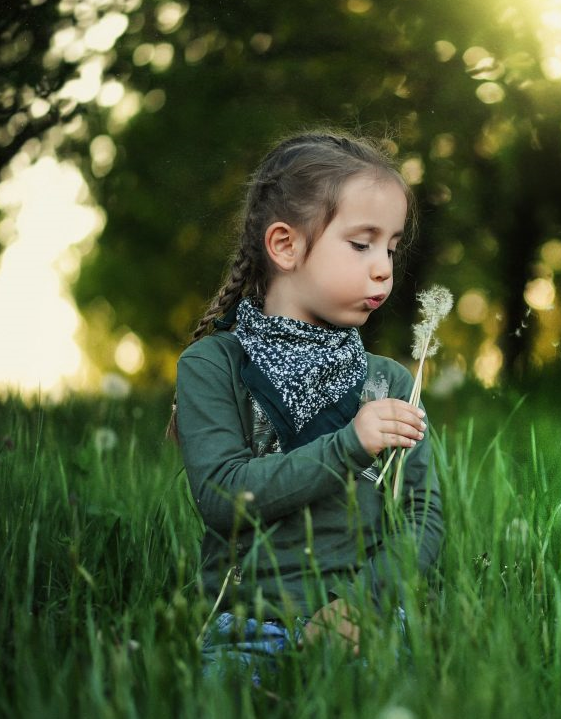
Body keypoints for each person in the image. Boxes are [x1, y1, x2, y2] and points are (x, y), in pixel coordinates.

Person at [167, 131, 444, 678]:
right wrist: (350, 445)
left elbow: (423, 516)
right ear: (286, 246)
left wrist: (363, 604)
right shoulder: (212, 366)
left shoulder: (389, 381)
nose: (384, 267)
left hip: (367, 619)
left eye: (390, 247)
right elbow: (224, 498)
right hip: (248, 622)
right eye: (362, 244)